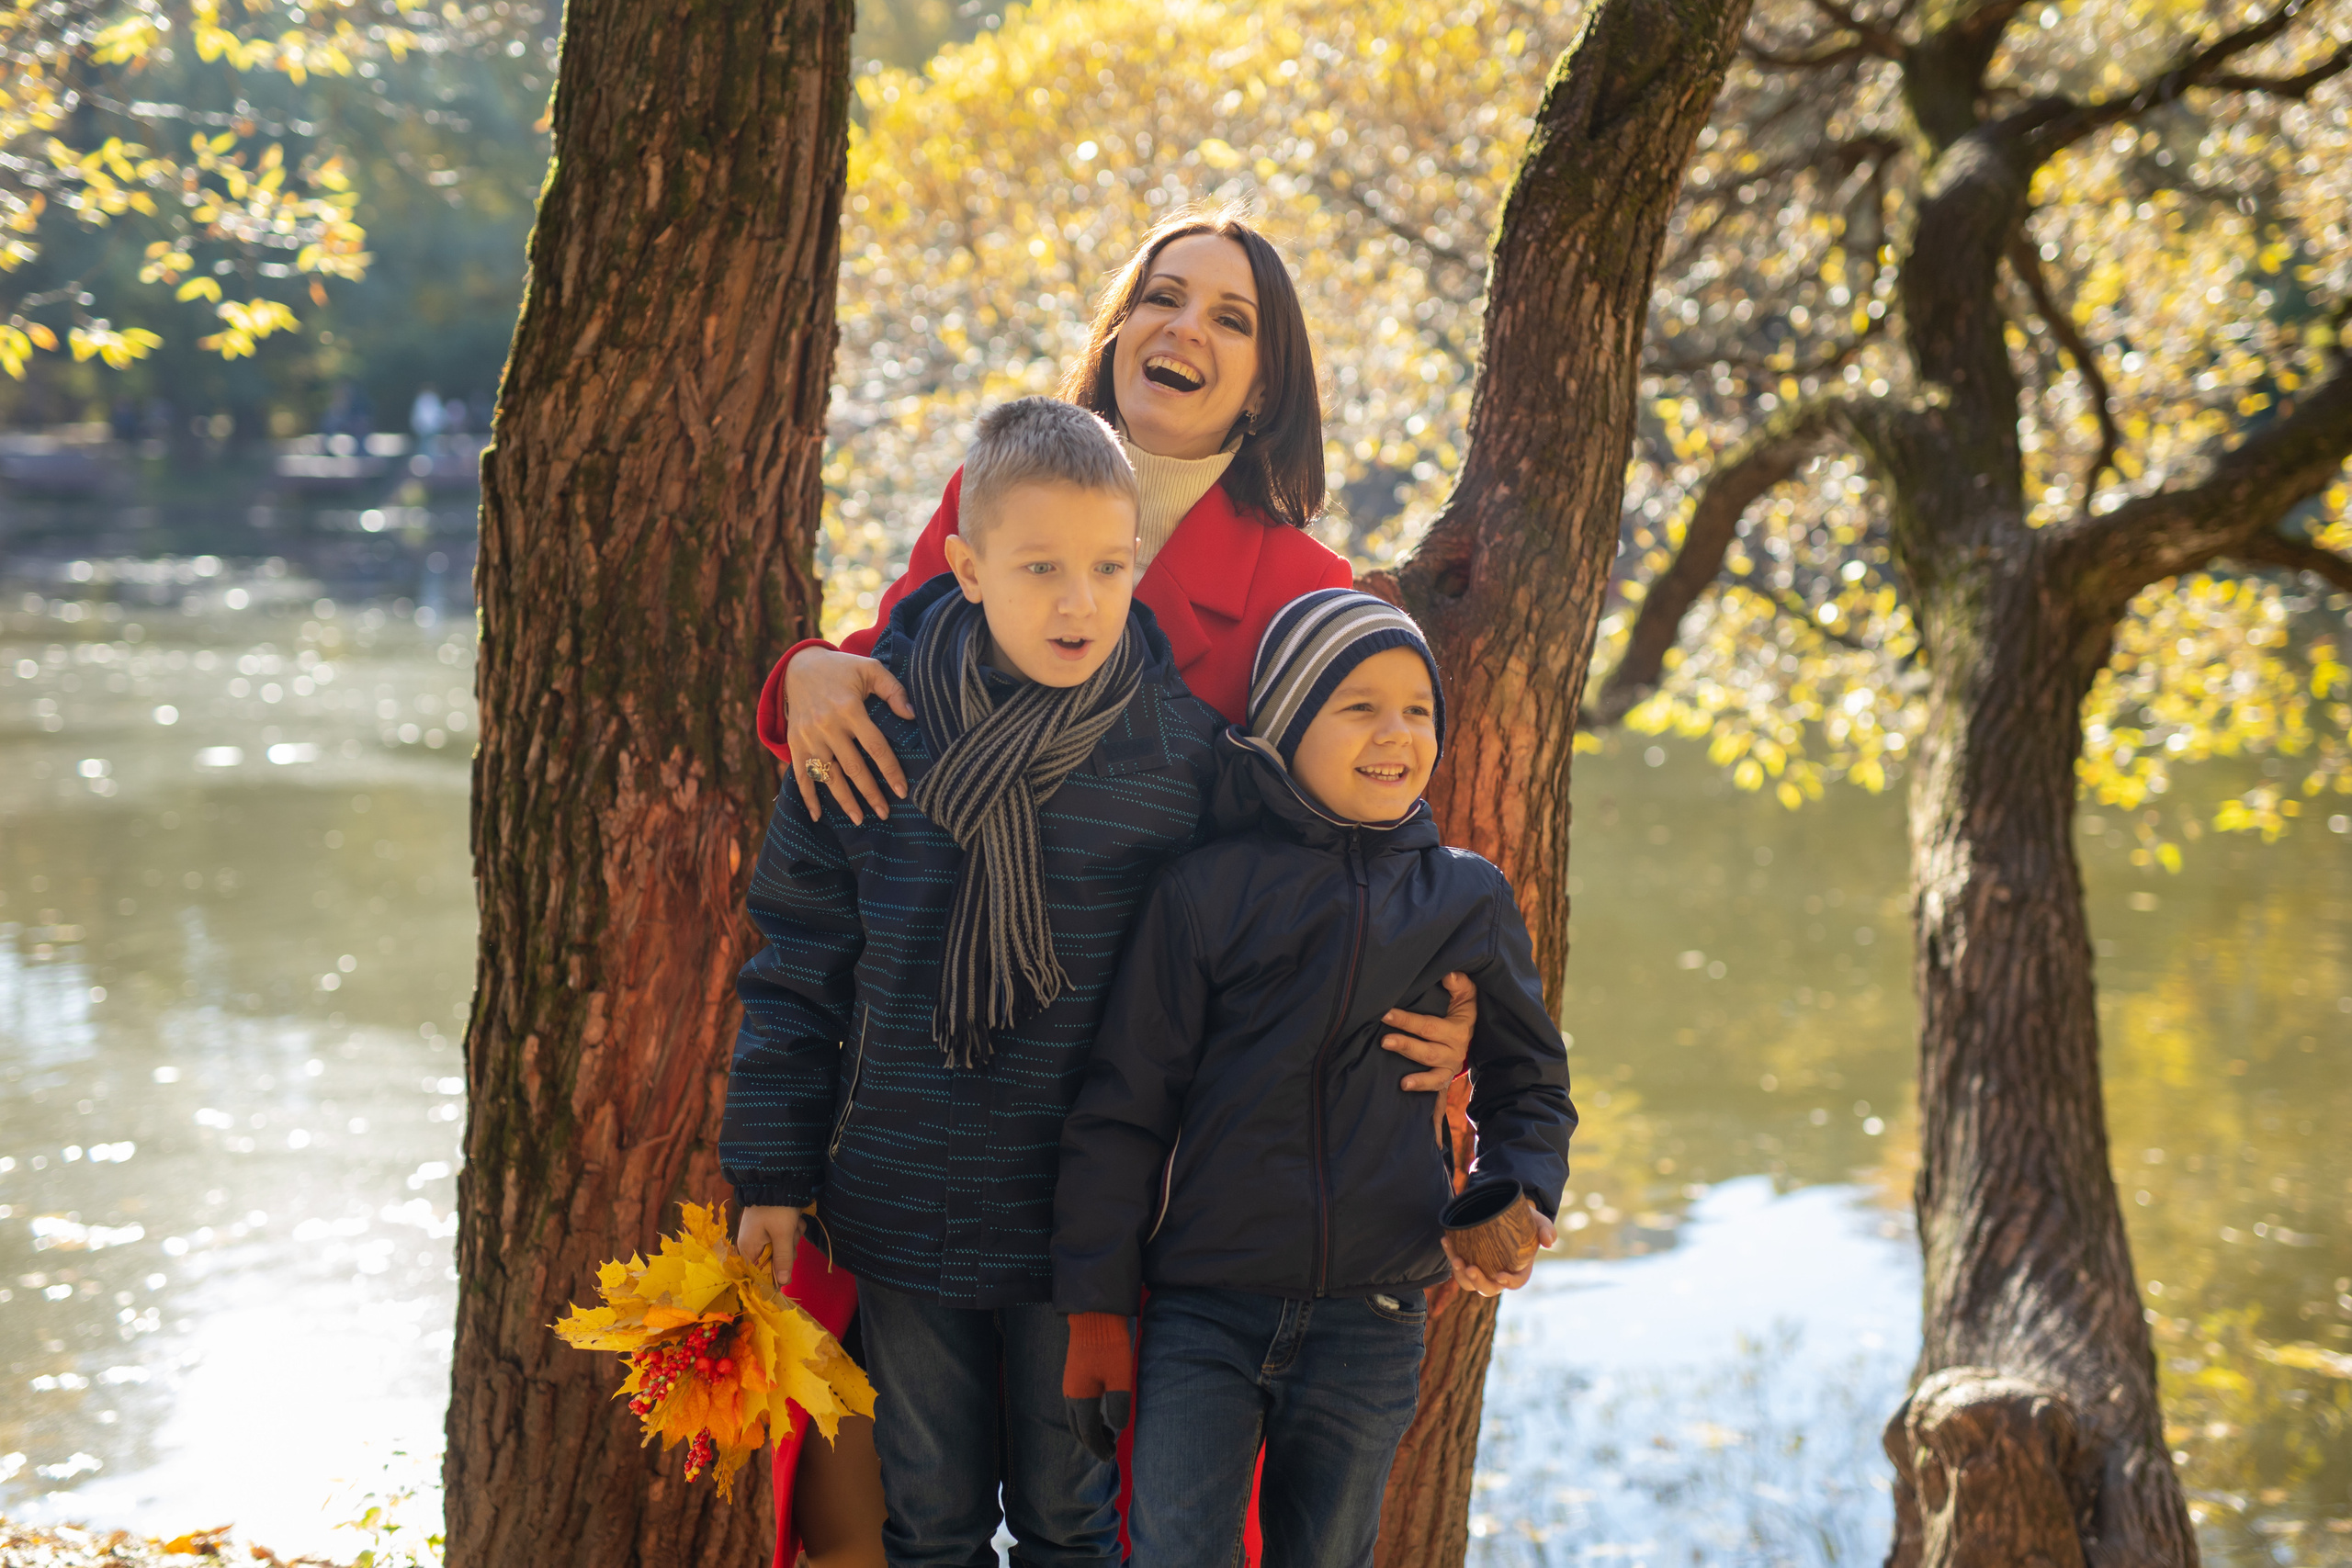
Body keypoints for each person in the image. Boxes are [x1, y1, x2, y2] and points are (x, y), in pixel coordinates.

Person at [746, 211, 1483, 1568]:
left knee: (1096, 1501)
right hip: (930, 1104)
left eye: (1232, 315)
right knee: (909, 1491)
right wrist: (808, 668)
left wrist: (1457, 1023)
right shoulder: (1004, 481)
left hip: (1148, 1120)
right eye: (1163, 295)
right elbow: (898, 676)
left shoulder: (1302, 588)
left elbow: (1373, 832)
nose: (1186, 327)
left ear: (1269, 382)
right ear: (1117, 325)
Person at [721, 397, 1227, 1568]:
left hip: (1084, 1223)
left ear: (1136, 563)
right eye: (1040, 566)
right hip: (906, 1203)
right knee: (932, 1520)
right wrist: (771, 1177)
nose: (1076, 601)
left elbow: (1265, 943)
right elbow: (796, 971)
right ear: (965, 564)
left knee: (1069, 1520)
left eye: (1106, 567)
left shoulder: (1181, 757)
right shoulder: (868, 732)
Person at [1052, 590, 1577, 1568]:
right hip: (1203, 1309)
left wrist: (1521, 1189)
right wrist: (1095, 1309)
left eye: (1418, 709)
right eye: (1359, 706)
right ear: (1287, 724)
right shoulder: (1206, 892)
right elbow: (1122, 1111)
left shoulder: (1466, 895)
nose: (1396, 734)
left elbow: (1530, 1083)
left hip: (1375, 1313)